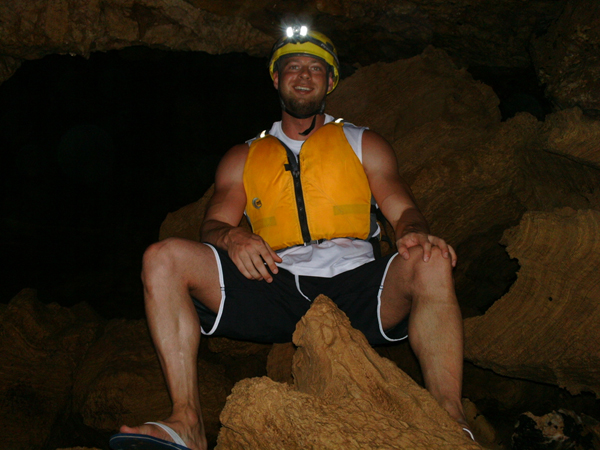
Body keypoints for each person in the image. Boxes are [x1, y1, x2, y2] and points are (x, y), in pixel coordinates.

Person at [110, 26, 471, 450]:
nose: (304, 75)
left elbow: (404, 210)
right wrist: (233, 239)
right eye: (292, 67)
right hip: (275, 284)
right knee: (162, 257)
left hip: (357, 287)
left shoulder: (363, 141)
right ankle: (187, 422)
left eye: (316, 68)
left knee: (430, 259)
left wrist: (413, 234)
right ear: (276, 79)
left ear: (331, 81)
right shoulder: (243, 155)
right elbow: (212, 226)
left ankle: (449, 419)